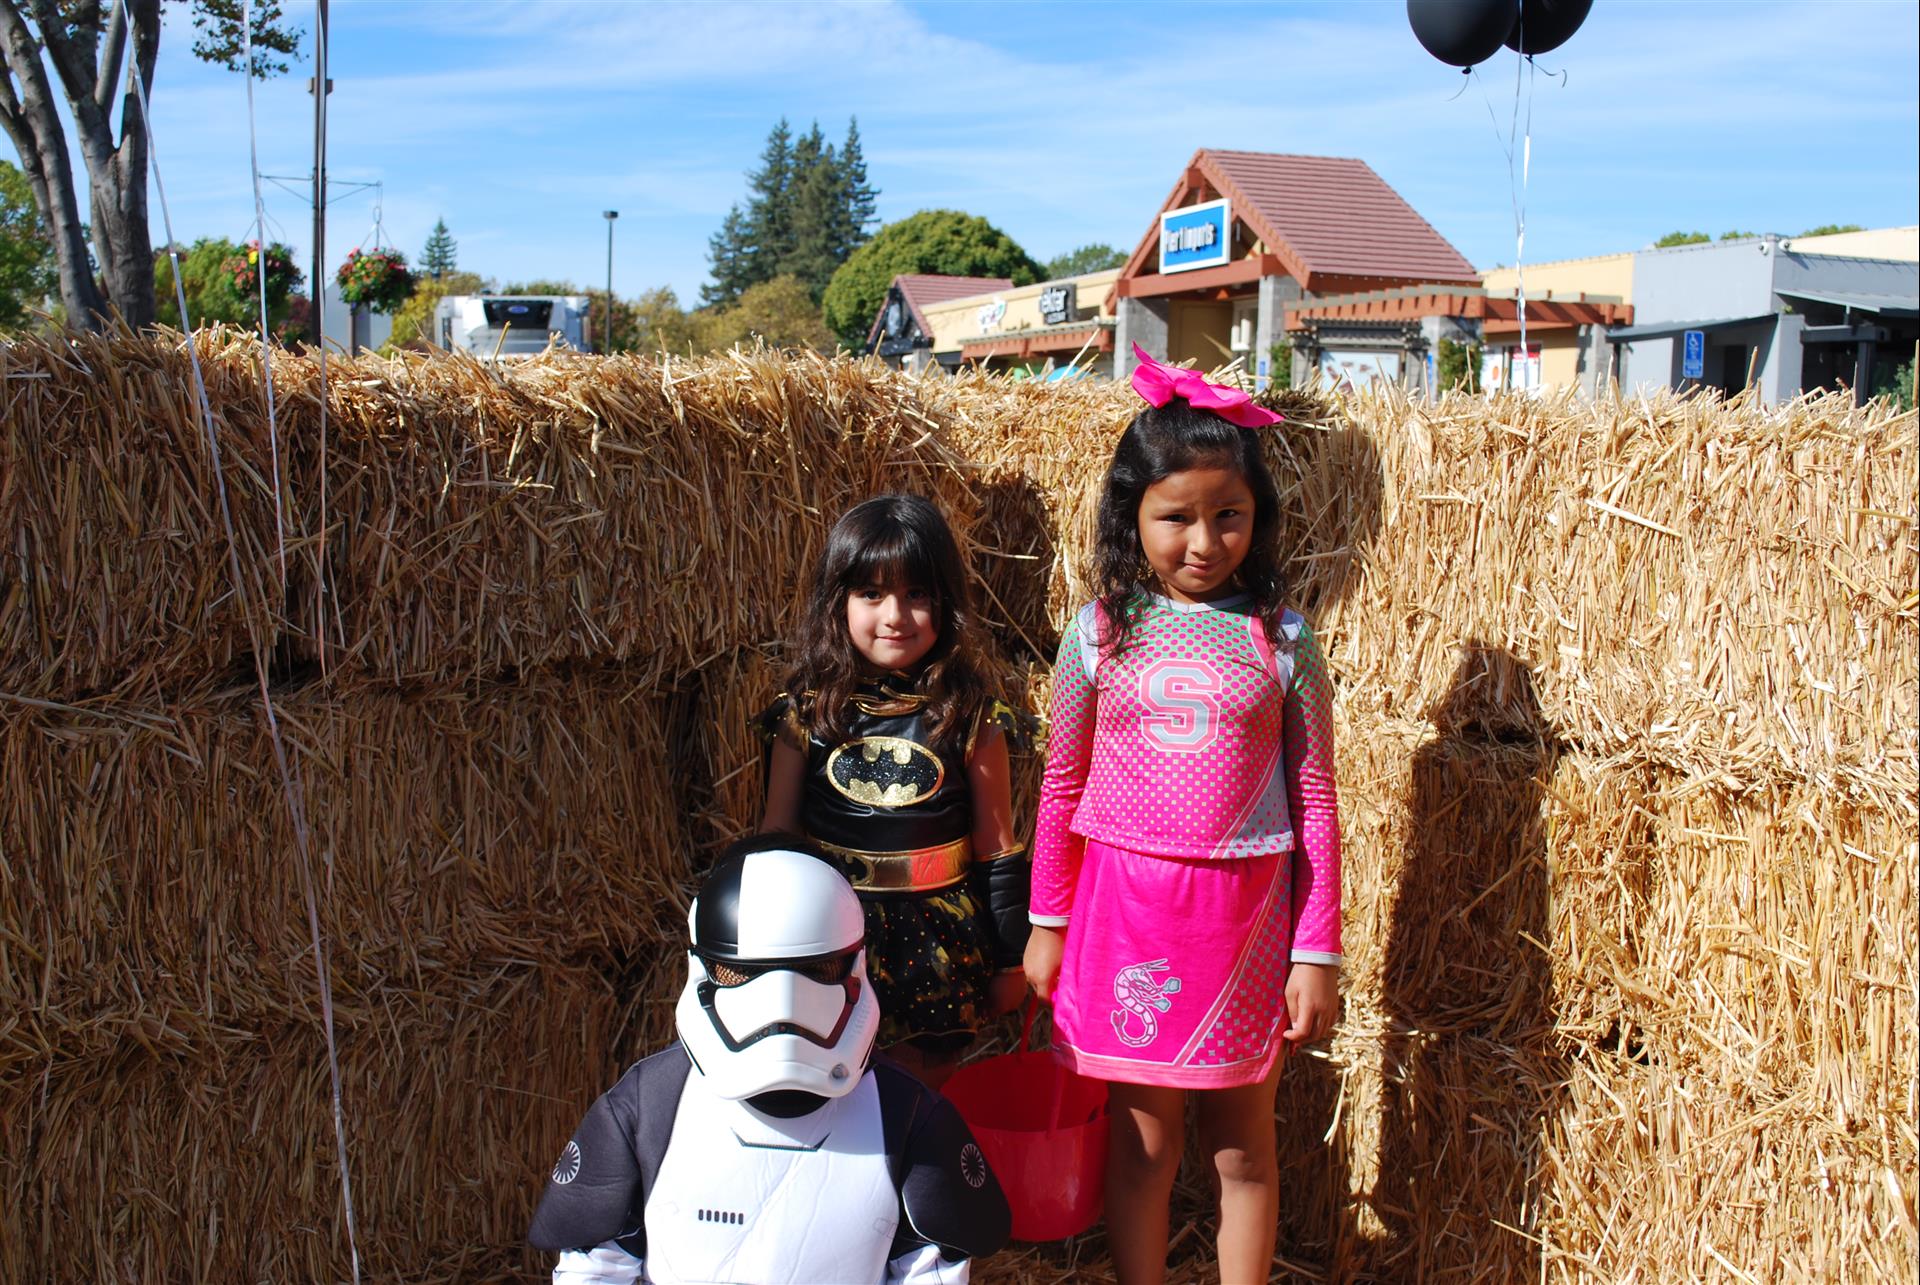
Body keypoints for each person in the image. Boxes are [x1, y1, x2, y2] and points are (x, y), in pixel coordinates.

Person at [1023, 346, 1342, 1284]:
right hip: (1128, 919)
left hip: (1246, 925)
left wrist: (1315, 949)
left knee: (1244, 1148)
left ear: (1258, 518)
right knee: (1146, 1148)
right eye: (1177, 518)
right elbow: (1061, 783)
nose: (1205, 543)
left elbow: (1316, 795)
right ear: (1133, 516)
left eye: (1229, 516)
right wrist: (1048, 920)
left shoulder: (1283, 639)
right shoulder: (1096, 633)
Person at [528, 835, 1011, 1284]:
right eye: (744, 974)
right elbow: (595, 1269)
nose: (782, 1004)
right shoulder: (650, 1108)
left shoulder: (905, 1119)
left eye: (811, 971)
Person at [759, 495, 1031, 1087]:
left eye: (917, 595)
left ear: (946, 603)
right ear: (839, 602)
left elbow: (998, 845)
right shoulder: (804, 715)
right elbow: (777, 837)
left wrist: (1013, 958)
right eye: (872, 594)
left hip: (939, 940)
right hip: (831, 935)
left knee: (918, 1094)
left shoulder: (972, 717)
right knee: (834, 1086)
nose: (895, 616)